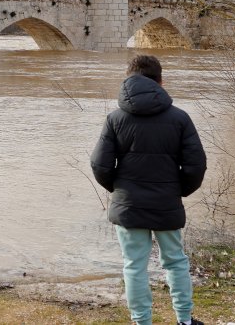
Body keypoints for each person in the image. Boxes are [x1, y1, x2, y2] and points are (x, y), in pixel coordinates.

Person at [91, 54, 207, 325]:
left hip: (129, 204)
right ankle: (185, 321)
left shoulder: (115, 118)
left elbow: (100, 165)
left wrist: (120, 189)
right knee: (176, 262)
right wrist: (178, 191)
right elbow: (196, 165)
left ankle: (141, 322)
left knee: (134, 266)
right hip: (166, 203)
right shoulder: (180, 118)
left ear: (129, 78)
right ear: (160, 81)